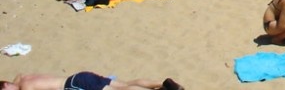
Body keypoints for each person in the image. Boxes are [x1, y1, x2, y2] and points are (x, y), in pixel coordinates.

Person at [0, 73, 183, 90]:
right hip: (79, 77)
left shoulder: (26, 87)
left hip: (76, 85)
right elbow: (19, 74)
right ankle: (162, 84)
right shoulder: (22, 78)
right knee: (124, 84)